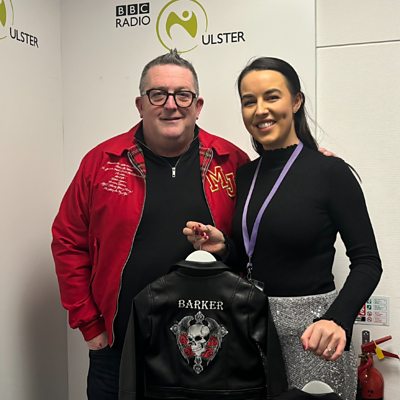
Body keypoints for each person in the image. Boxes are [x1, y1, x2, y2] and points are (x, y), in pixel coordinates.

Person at [51, 49, 250, 399]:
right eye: (158, 94)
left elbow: (257, 239)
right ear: (140, 104)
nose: (171, 105)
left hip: (207, 353)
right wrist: (90, 325)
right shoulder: (101, 163)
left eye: (182, 95)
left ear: (198, 105)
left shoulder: (231, 162)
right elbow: (68, 241)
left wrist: (310, 157)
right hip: (117, 352)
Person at [183, 57, 382, 400]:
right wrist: (224, 248)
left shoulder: (330, 173)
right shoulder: (245, 175)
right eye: (249, 101)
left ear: (296, 101)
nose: (260, 110)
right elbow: (253, 257)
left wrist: (337, 319)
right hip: (252, 327)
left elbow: (368, 262)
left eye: (272, 97)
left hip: (314, 335)